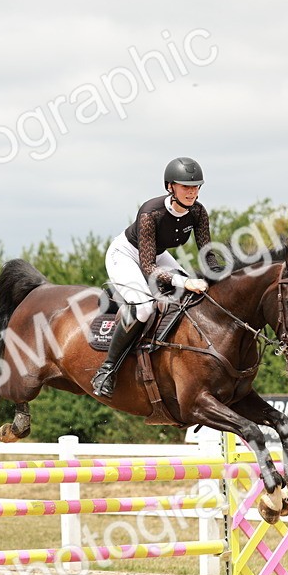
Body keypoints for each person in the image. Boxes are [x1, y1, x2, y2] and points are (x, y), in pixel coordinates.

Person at [90, 156, 212, 397]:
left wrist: (222, 276)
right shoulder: (150, 212)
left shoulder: (198, 212)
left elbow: (208, 254)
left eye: (196, 186)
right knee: (144, 308)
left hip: (157, 255)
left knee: (190, 295)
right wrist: (184, 281)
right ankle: (107, 370)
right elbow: (148, 268)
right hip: (126, 255)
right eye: (186, 186)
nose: (192, 192)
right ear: (170, 187)